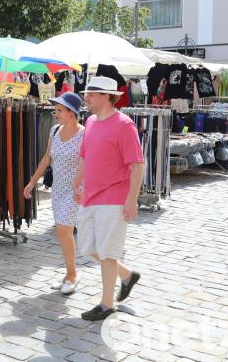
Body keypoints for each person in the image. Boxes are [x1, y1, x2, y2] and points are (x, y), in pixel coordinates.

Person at [73, 76, 144, 321]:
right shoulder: (90, 121)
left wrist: (131, 200)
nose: (86, 98)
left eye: (91, 94)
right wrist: (77, 182)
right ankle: (126, 275)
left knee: (107, 251)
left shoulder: (124, 125)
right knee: (86, 246)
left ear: (106, 96)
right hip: (90, 196)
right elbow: (84, 156)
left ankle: (106, 304)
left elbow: (137, 165)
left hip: (114, 197)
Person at [23, 92, 84, 295]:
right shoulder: (55, 131)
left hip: (75, 190)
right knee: (62, 232)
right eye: (56, 110)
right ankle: (69, 274)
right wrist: (32, 182)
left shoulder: (84, 134)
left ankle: (72, 276)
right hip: (57, 190)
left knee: (64, 231)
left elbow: (90, 162)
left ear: (72, 113)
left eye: (59, 110)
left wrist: (81, 186)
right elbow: (47, 158)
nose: (55, 113)